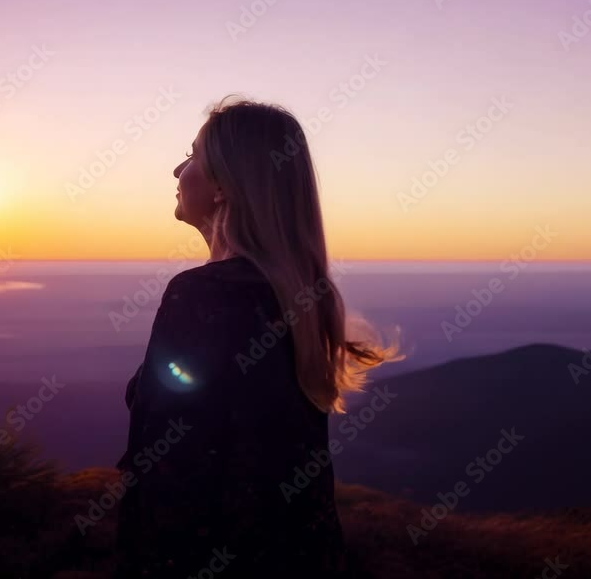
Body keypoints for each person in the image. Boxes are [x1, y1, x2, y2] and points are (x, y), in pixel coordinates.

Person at [114, 96, 399, 578]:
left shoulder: (205, 295)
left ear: (224, 185)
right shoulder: (296, 295)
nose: (178, 170)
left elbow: (166, 469)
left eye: (193, 156)